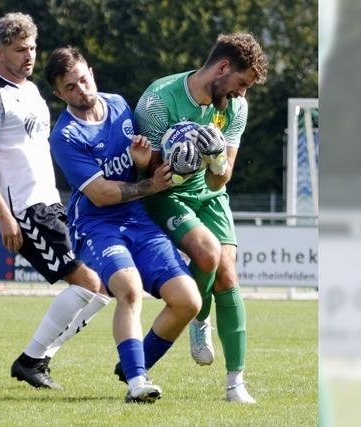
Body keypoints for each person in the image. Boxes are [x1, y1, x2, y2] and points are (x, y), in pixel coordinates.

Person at [46, 46, 202, 403]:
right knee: (128, 289)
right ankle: (137, 383)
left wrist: (147, 163)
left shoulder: (119, 105)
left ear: (92, 72)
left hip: (139, 220)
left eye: (84, 79)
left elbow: (140, 165)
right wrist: (152, 184)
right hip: (96, 225)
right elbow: (100, 194)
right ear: (59, 94)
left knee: (188, 301)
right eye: (70, 87)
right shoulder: (65, 136)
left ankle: (135, 363)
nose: (81, 89)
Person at [134, 32, 269, 404]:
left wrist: (216, 157)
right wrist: (178, 161)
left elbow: (220, 179)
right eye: (241, 83)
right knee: (207, 254)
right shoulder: (159, 101)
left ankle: (235, 384)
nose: (242, 93)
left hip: (210, 194)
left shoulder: (235, 108)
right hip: (168, 194)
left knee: (227, 272)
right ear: (223, 67)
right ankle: (195, 318)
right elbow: (155, 175)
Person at [0, 13, 110, 390]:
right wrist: (5, 216)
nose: (29, 56)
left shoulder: (33, 92)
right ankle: (32, 359)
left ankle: (35, 359)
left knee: (101, 287)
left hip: (52, 205)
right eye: (20, 49)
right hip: (26, 210)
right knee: (90, 282)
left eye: (33, 48)